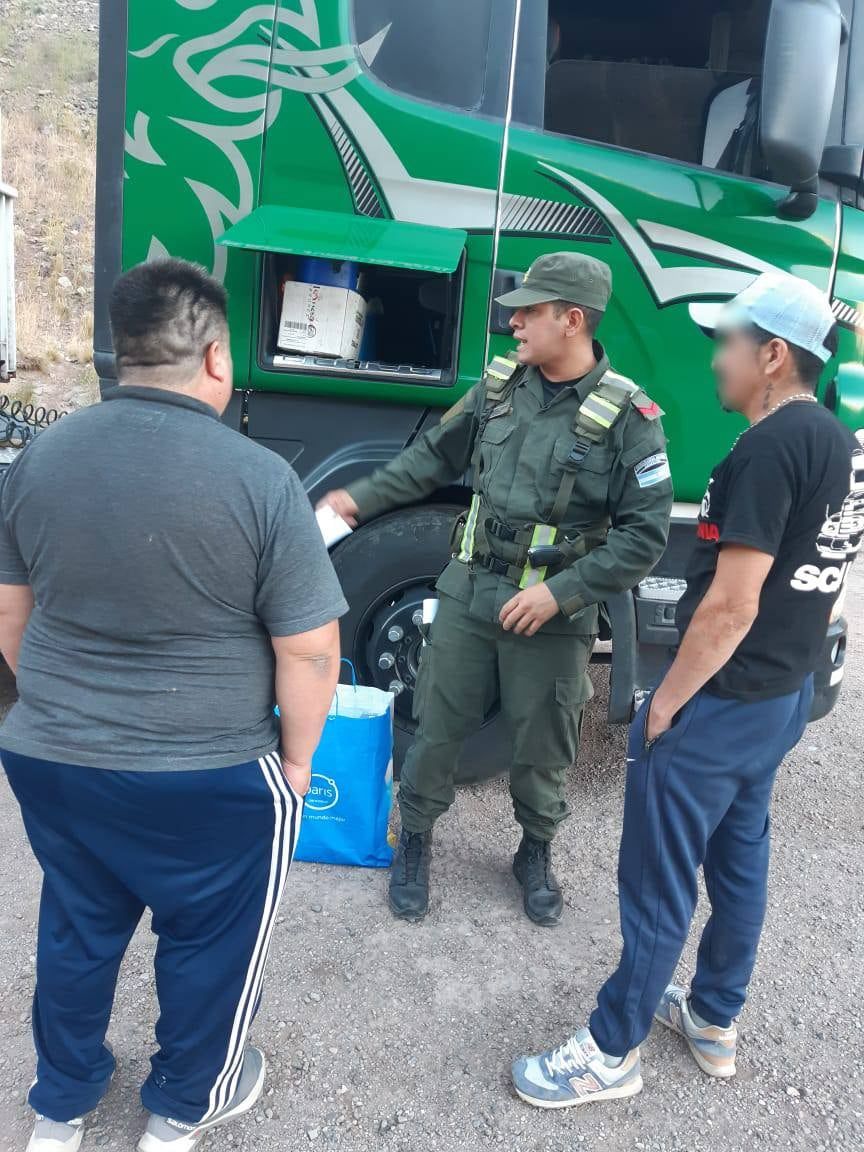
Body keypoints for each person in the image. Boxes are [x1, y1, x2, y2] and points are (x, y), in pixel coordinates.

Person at [0, 260, 347, 1152]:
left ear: (123, 355)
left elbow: (10, 615)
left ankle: (60, 1109)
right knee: (212, 943)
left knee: (78, 926)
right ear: (217, 356)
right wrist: (298, 763)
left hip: (54, 759)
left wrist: (63, 709)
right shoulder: (261, 478)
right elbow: (310, 649)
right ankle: (184, 1110)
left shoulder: (40, 459)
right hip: (209, 770)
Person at [512, 270, 858, 1108]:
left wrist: (665, 705)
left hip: (725, 699)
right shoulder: (840, 442)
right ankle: (712, 1016)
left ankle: (611, 1050)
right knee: (739, 858)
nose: (715, 359)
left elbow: (732, 606)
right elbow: (823, 574)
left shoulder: (771, 448)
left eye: (727, 342)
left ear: (773, 356)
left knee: (657, 878)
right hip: (780, 696)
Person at [319, 252, 673, 926]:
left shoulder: (630, 417)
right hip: (471, 590)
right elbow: (432, 459)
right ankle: (415, 839)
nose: (514, 323)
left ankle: (534, 851)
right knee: (435, 723)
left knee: (545, 741)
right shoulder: (499, 388)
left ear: (573, 321)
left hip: (553, 613)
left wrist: (561, 594)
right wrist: (359, 499)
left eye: (530, 312)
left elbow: (643, 536)